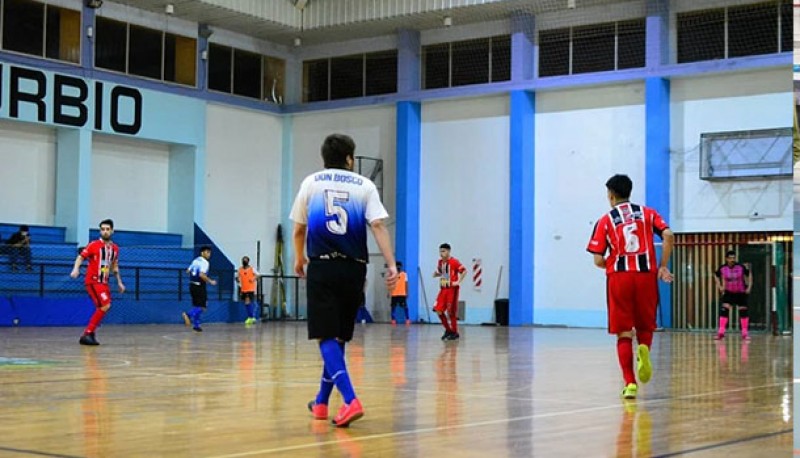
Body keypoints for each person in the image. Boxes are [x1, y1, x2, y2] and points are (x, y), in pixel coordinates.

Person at [291, 133, 397, 428]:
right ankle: (322, 402)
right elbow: (377, 225)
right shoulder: (364, 185)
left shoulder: (311, 182)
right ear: (350, 159)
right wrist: (391, 265)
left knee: (325, 336)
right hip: (355, 269)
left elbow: (299, 229)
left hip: (323, 267)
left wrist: (299, 258)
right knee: (339, 337)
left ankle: (350, 400)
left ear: (324, 158)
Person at [587, 174, 674, 400]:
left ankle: (630, 383)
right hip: (646, 275)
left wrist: (616, 264)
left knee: (623, 331)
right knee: (645, 325)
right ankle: (643, 349)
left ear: (611, 195)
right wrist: (662, 266)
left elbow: (597, 260)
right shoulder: (648, 213)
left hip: (620, 278)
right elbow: (668, 235)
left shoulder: (605, 220)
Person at [70, 219, 126, 346]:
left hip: (104, 282)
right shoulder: (93, 245)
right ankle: (87, 333)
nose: (105, 232)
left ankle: (91, 333)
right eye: (102, 229)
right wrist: (76, 269)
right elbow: (80, 257)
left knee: (102, 307)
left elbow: (114, 267)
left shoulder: (115, 249)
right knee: (105, 305)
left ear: (112, 231)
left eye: (107, 229)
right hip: (94, 281)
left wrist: (119, 282)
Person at [713, 250, 752, 340]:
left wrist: (749, 286)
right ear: (726, 259)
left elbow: (749, 274)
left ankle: (745, 333)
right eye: (730, 258)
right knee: (724, 310)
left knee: (743, 311)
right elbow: (716, 275)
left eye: (733, 258)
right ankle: (721, 332)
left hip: (740, 292)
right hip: (729, 292)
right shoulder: (722, 268)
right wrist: (720, 286)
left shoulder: (740, 267)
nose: (732, 260)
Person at [433, 243, 466, 341]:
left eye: (443, 251)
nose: (441, 253)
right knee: (438, 310)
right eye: (440, 251)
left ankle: (455, 332)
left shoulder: (454, 262)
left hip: (452, 289)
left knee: (451, 312)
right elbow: (443, 273)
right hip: (443, 289)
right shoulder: (440, 262)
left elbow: (464, 271)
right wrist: (437, 274)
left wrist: (458, 281)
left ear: (448, 251)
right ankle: (448, 330)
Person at [182, 246, 217, 332]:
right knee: (203, 307)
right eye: (207, 252)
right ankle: (188, 315)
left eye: (209, 252)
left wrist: (194, 274)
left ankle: (196, 325)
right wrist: (210, 281)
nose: (209, 254)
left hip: (192, 285)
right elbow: (202, 275)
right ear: (202, 253)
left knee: (197, 305)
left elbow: (187, 271)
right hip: (199, 286)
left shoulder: (195, 260)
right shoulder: (205, 263)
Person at [236, 256, 261, 325]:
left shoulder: (252, 269)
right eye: (243, 260)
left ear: (248, 261)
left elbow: (258, 275)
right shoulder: (240, 269)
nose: (244, 261)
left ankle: (251, 317)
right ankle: (251, 317)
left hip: (250, 288)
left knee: (247, 301)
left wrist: (253, 279)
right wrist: (238, 280)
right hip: (243, 288)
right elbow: (238, 277)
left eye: (246, 260)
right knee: (246, 303)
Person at [390, 261, 409, 326]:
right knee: (393, 307)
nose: (398, 267)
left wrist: (406, 292)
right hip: (394, 294)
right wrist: (389, 291)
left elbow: (406, 284)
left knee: (405, 307)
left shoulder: (404, 274)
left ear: (401, 267)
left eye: (399, 266)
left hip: (402, 293)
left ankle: (407, 319)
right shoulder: (392, 274)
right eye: (397, 266)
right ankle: (393, 320)